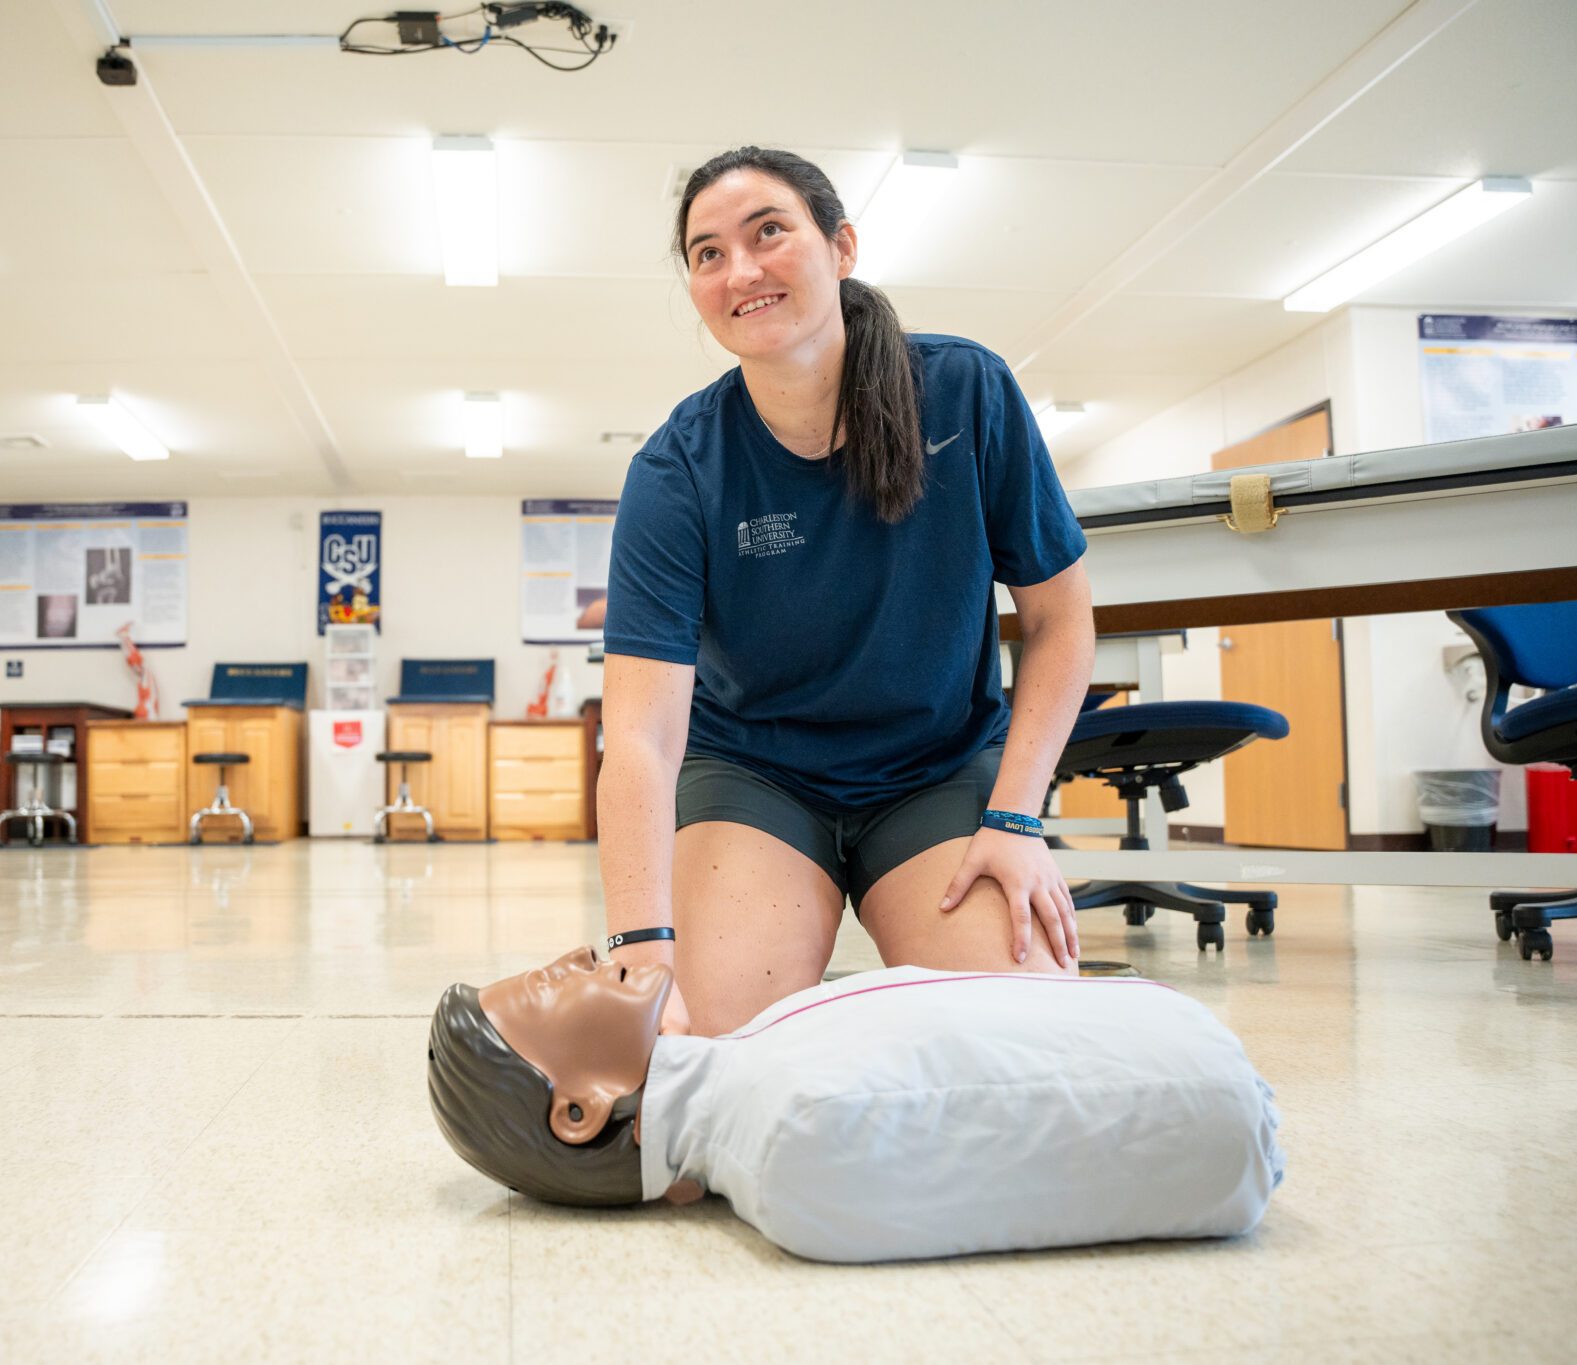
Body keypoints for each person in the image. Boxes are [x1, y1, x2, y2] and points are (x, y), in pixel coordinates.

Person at [599, 147, 1096, 1034]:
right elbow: (640, 733)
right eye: (707, 253)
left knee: (1030, 1044)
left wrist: (1017, 817)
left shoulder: (964, 391)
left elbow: (1059, 620)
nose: (739, 269)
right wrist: (643, 943)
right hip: (758, 776)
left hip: (937, 771)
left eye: (769, 232)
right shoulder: (678, 468)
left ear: (841, 247)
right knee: (707, 1058)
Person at [427, 946, 1283, 1263]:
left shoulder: (769, 1065)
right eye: (552, 983)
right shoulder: (799, 1127)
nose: (579, 953)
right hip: (1210, 1083)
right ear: (579, 1109)